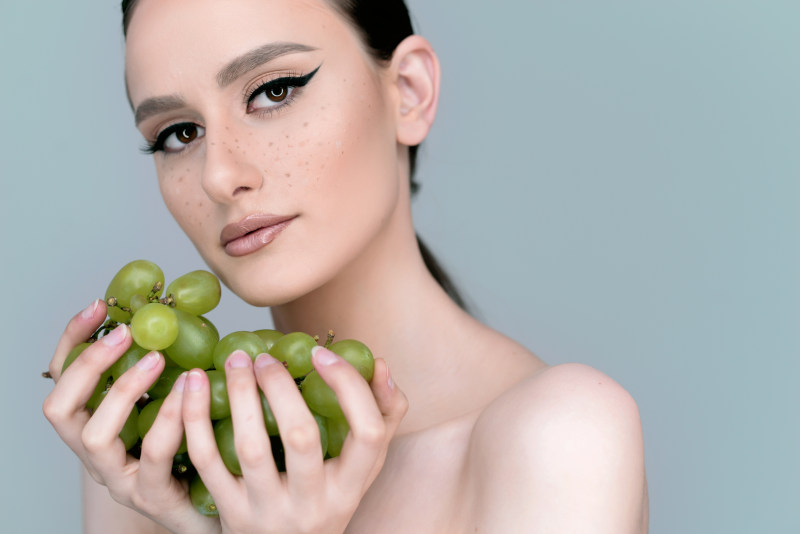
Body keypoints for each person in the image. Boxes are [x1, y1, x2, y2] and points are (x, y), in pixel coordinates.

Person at [43, 0, 649, 532]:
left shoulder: (561, 439)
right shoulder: (158, 460)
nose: (220, 175)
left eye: (272, 91)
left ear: (408, 92)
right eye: (178, 133)